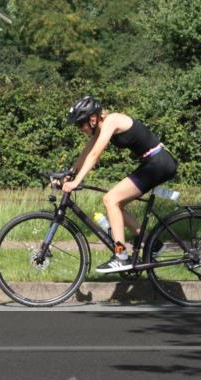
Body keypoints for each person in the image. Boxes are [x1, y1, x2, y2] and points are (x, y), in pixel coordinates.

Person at [61, 95, 178, 273]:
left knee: (111, 200)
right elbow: (87, 152)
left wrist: (77, 181)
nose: (79, 129)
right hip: (152, 163)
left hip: (158, 163)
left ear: (92, 119)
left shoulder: (112, 121)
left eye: (80, 124)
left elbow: (95, 156)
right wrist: (69, 173)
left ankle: (120, 255)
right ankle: (152, 244)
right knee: (117, 205)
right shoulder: (100, 128)